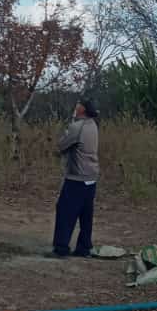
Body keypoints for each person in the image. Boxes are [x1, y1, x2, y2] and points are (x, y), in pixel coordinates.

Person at [51, 98, 100, 258]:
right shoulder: (93, 125)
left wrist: (70, 126)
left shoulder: (76, 127)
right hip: (91, 176)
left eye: (77, 105)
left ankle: (61, 248)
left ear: (82, 110)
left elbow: (61, 146)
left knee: (65, 211)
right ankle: (84, 248)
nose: (75, 106)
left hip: (77, 177)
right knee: (86, 214)